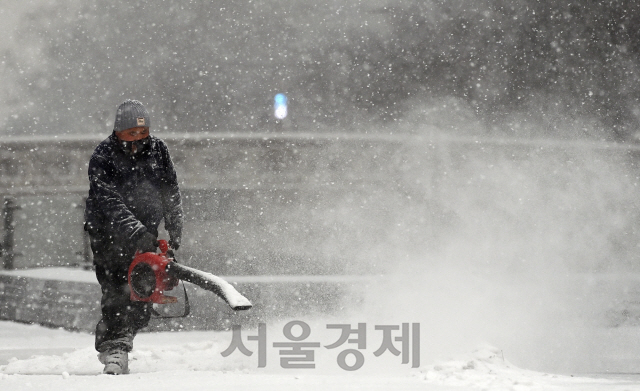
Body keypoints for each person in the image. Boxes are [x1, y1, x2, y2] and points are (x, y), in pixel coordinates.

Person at [84, 99, 183, 375]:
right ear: (118, 132)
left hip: (146, 233)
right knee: (117, 289)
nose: (137, 138)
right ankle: (115, 348)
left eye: (142, 132)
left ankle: (121, 338)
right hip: (108, 234)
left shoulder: (158, 151)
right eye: (131, 133)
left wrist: (174, 228)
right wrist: (134, 230)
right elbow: (108, 200)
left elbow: (170, 190)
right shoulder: (103, 155)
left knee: (143, 291)